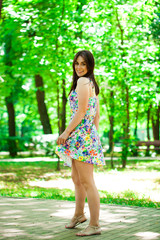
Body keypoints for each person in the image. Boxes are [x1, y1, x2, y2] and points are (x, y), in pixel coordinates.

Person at [55, 50, 105, 237]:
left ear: (90, 66)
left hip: (81, 137)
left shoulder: (84, 82)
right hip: (84, 137)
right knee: (77, 180)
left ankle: (94, 225)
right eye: (77, 63)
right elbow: (96, 116)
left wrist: (67, 132)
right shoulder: (90, 83)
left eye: (83, 64)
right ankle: (79, 215)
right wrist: (92, 136)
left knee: (87, 182)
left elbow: (82, 111)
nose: (79, 67)